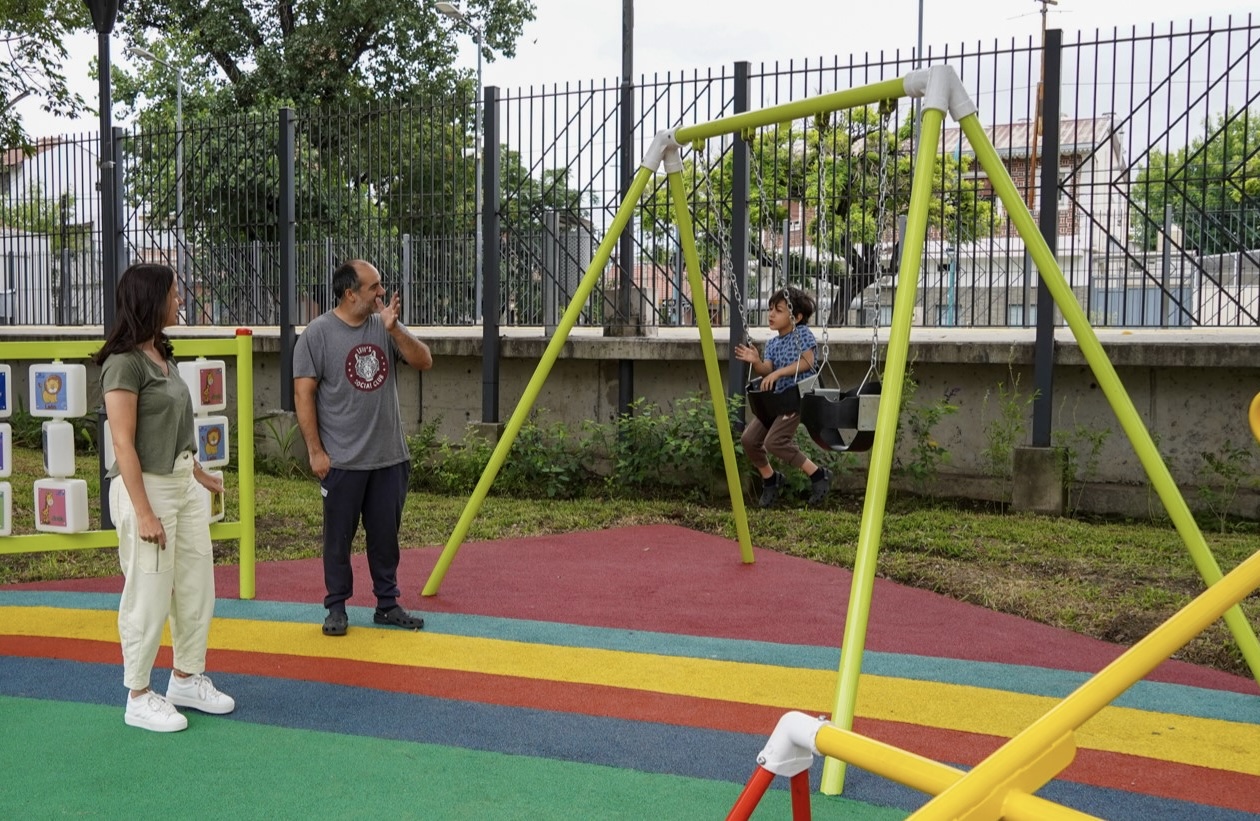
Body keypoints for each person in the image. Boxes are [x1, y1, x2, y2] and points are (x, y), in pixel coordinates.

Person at [94, 262, 235, 733]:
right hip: (145, 489)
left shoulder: (162, 355)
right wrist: (144, 511)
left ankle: (186, 678)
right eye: (175, 294)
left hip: (180, 484)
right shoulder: (123, 364)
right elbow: (123, 444)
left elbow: (172, 428)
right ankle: (138, 694)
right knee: (149, 592)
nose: (181, 300)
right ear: (150, 300)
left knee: (197, 586)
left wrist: (198, 473)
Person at [293, 259, 434, 637]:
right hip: (342, 460)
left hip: (389, 456)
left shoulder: (385, 324)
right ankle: (336, 607)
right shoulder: (317, 334)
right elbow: (303, 394)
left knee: (386, 536)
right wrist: (315, 451)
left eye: (381, 286)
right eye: (374, 287)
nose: (382, 293)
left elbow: (424, 361)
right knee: (338, 537)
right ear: (349, 293)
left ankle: (387, 604)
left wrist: (396, 330)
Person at [734, 286, 831, 508]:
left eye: (778, 310)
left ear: (796, 317)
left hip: (797, 399)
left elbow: (807, 362)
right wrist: (756, 362)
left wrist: (779, 372)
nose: (771, 314)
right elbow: (767, 370)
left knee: (775, 442)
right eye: (770, 309)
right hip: (777, 401)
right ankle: (770, 478)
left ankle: (818, 475)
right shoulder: (773, 343)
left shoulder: (803, 335)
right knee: (749, 440)